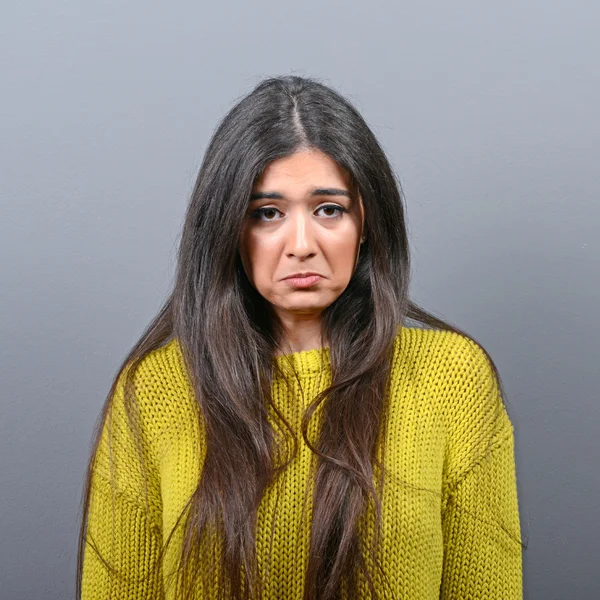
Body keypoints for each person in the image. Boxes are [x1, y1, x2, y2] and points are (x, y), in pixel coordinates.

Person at [76, 75, 525, 600]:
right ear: (227, 229)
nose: (302, 244)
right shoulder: (156, 390)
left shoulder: (452, 378)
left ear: (367, 222)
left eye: (328, 209)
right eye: (267, 214)